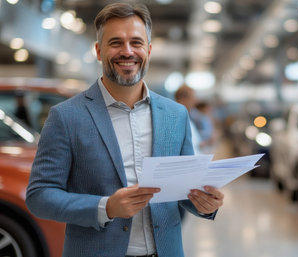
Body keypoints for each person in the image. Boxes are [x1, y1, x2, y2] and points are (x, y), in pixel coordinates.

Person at [25, 3, 224, 257]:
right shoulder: (66, 117)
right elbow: (40, 196)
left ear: (149, 50)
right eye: (116, 43)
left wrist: (204, 203)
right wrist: (105, 207)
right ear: (99, 50)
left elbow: (183, 190)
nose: (127, 52)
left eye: (136, 43)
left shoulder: (176, 115)